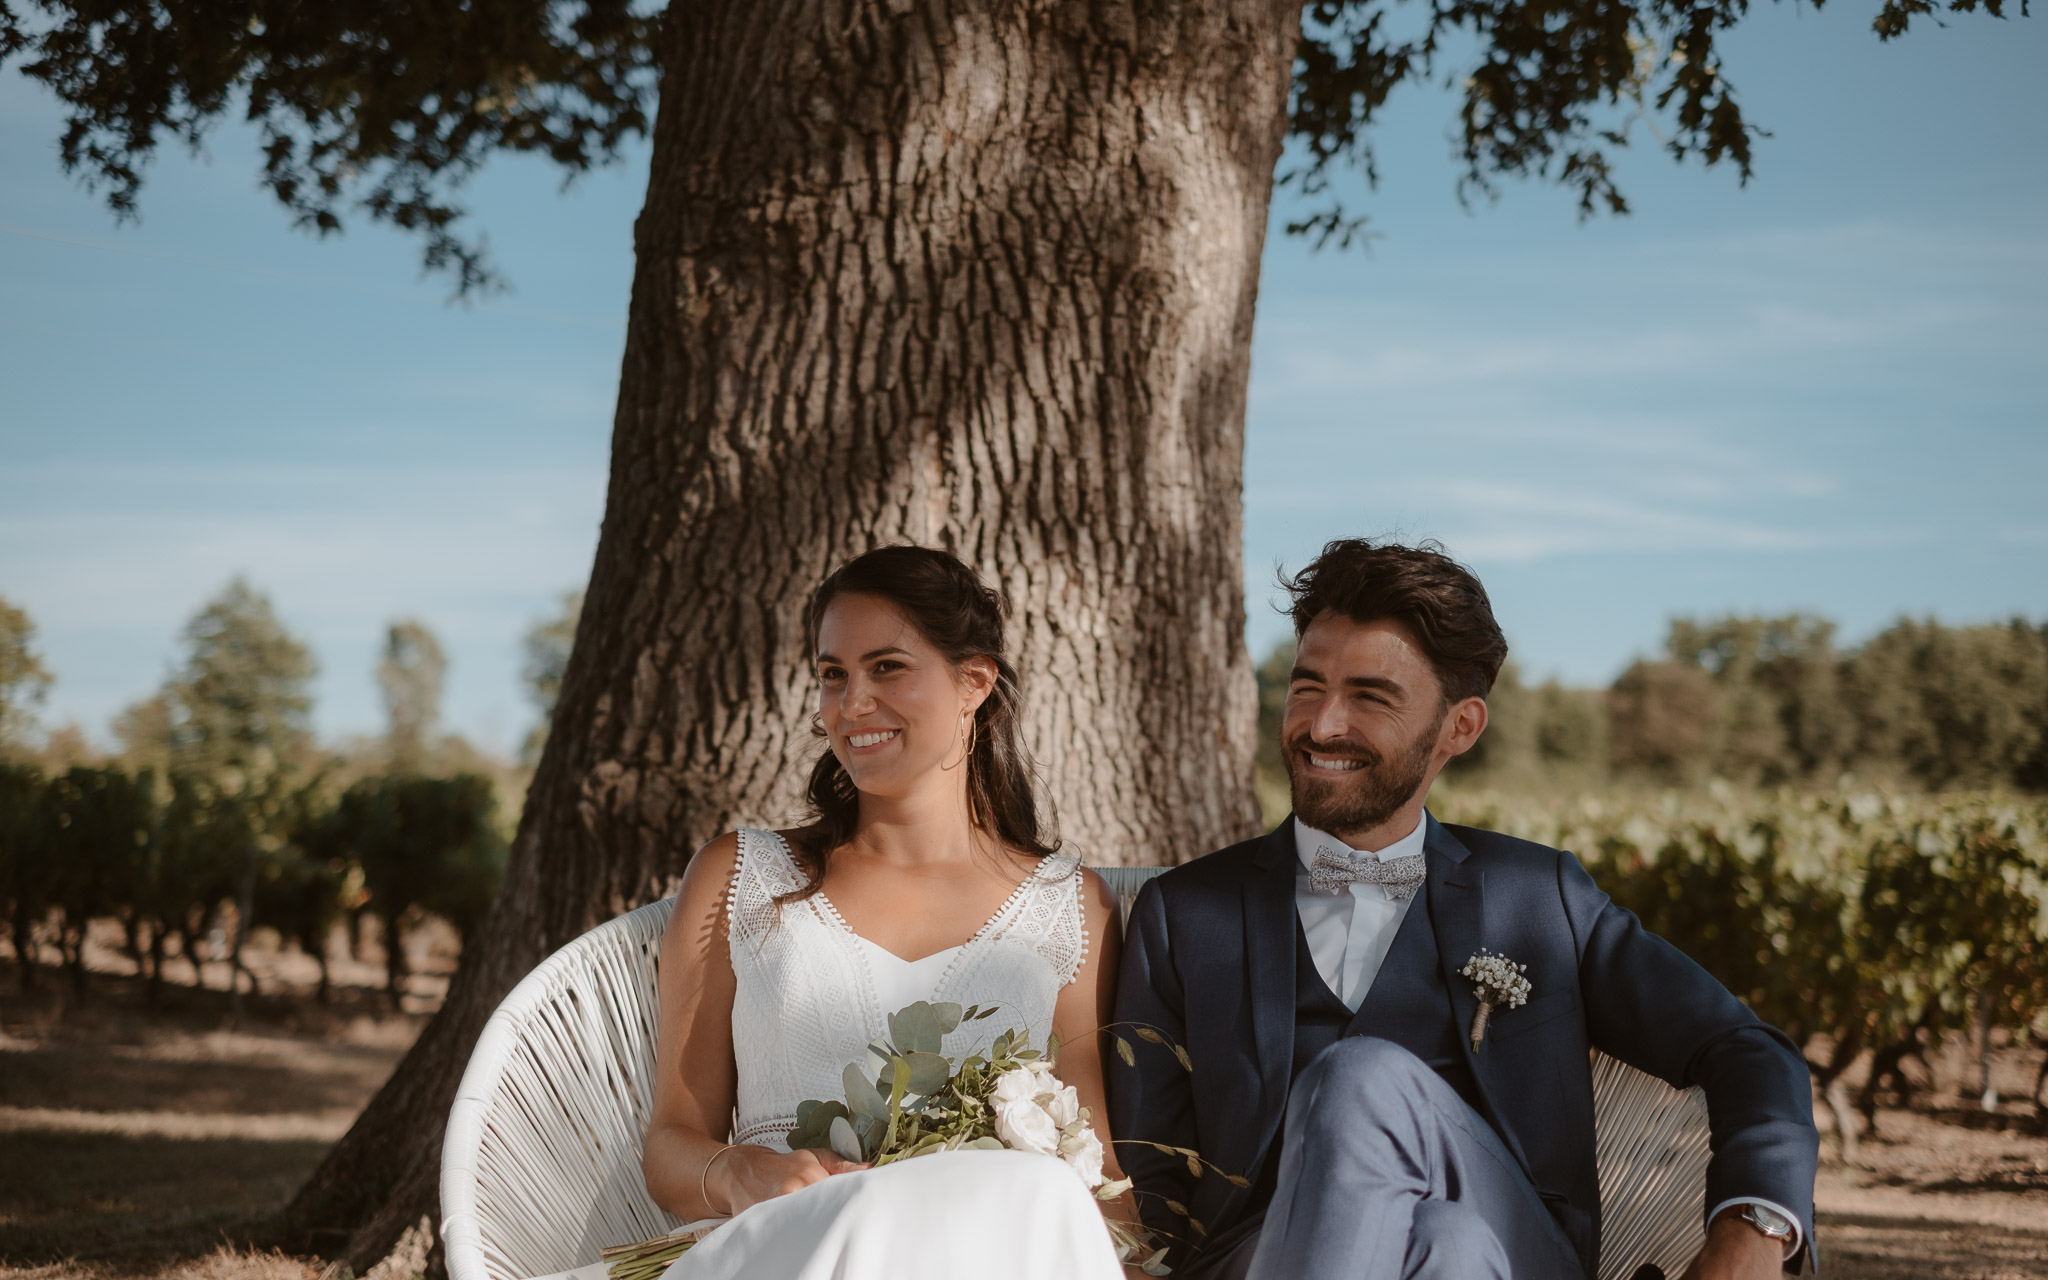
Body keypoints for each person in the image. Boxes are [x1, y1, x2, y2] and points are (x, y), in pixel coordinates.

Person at [1110, 538, 1819, 1280]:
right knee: (1449, 1244)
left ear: (1461, 727)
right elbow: (1148, 1182)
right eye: (1308, 686)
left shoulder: (1538, 897)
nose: (1321, 726)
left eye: (1370, 697)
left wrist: (1753, 1231)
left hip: (1522, 1252)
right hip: (1262, 1259)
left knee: (1362, 1081)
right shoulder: (1183, 915)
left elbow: (1746, 1048)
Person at [641, 545, 1130, 1280]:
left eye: (887, 667)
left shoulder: (1069, 907)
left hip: (986, 1259)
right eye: (833, 675)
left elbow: (1094, 1170)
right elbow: (671, 1142)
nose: (852, 703)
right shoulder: (742, 877)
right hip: (784, 1250)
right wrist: (743, 1173)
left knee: (1035, 1186)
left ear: (974, 683)